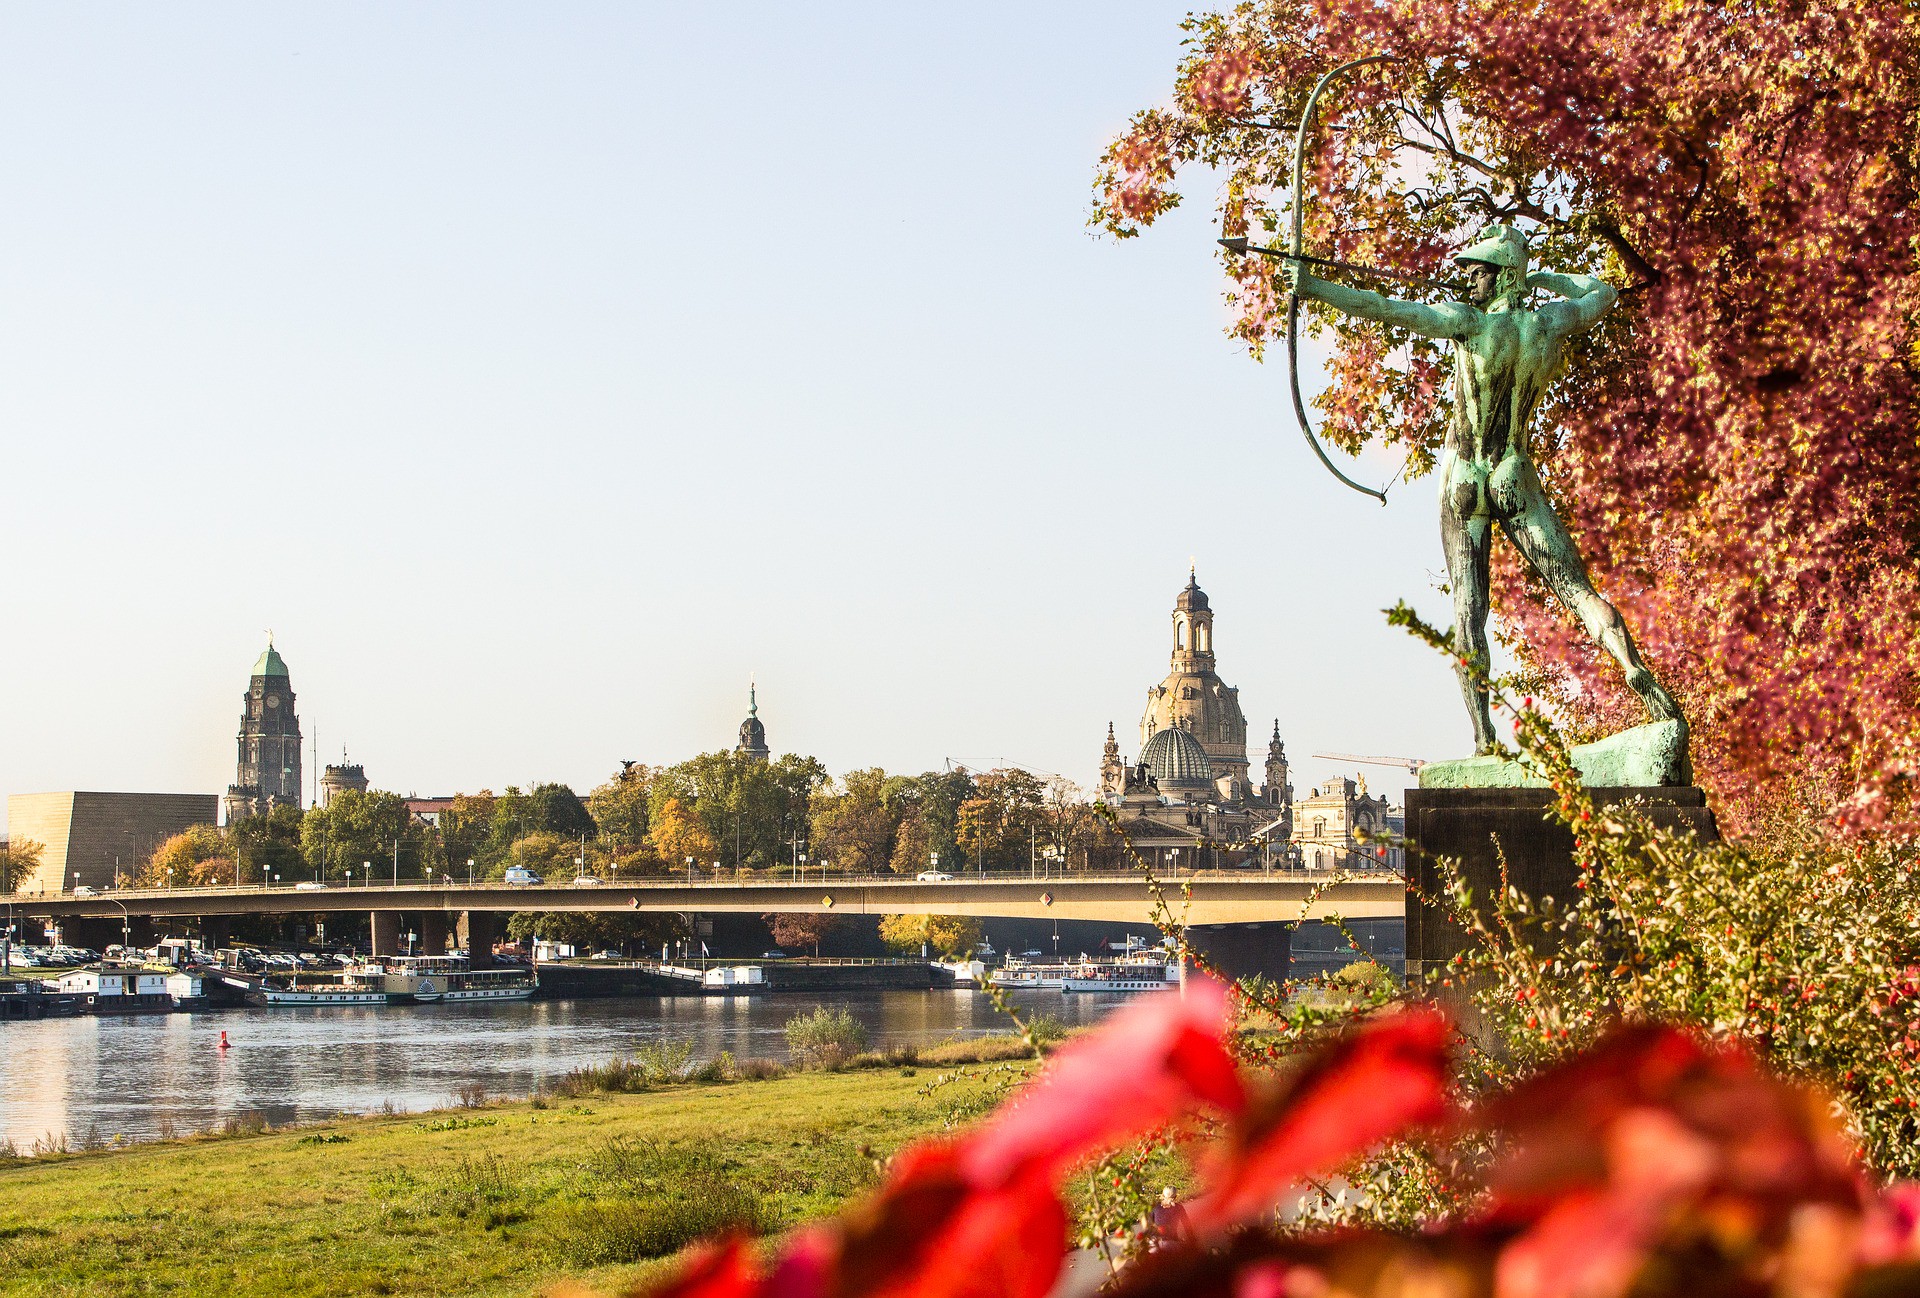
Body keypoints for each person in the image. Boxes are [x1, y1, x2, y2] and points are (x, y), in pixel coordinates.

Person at [1284, 225, 1682, 753]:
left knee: (1469, 611)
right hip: (1514, 472)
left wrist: (1313, 289)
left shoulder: (1468, 322)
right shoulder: (1549, 324)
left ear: (1499, 276)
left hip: (1466, 478)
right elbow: (1601, 293)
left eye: (1477, 271)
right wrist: (1546, 277)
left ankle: (1484, 738)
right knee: (1578, 590)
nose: (1467, 279)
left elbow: (1386, 308)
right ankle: (1630, 664)